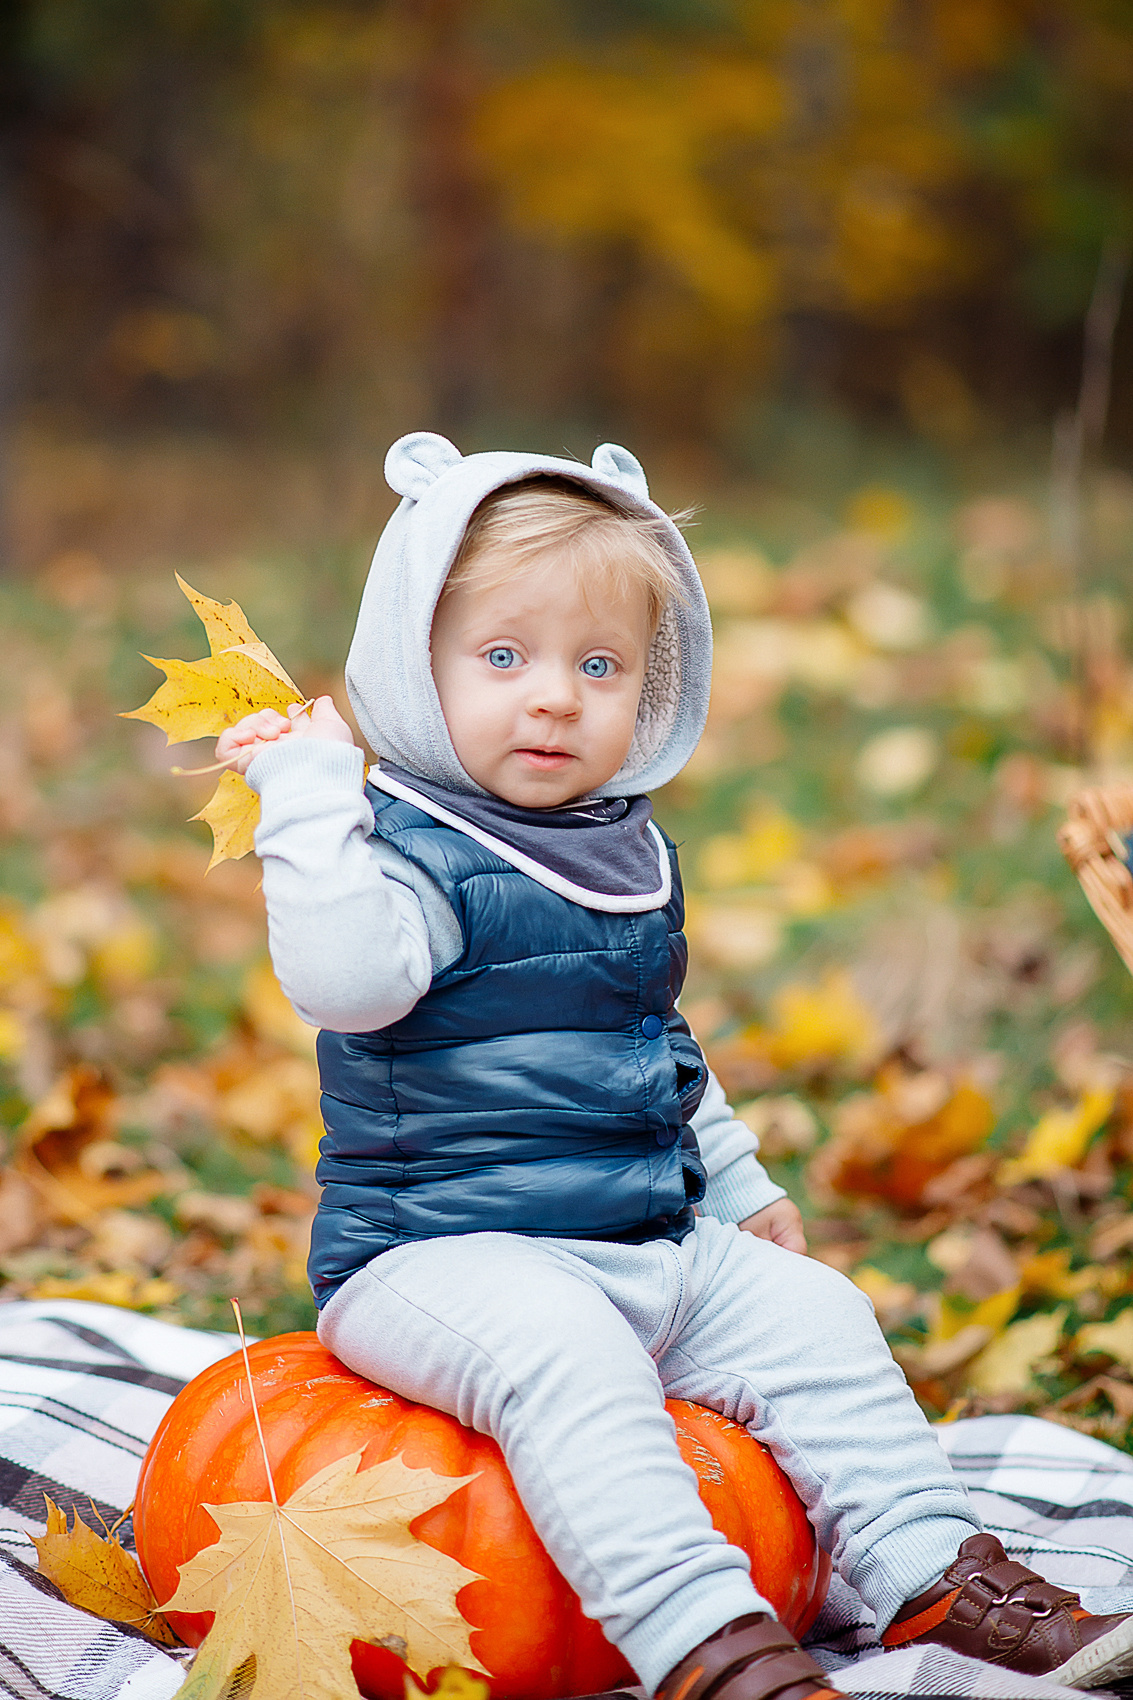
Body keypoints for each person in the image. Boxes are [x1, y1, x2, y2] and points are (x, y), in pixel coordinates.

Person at [215, 432, 1133, 1700]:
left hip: (641, 1240)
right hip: (438, 1255)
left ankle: (933, 1575)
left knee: (819, 1316)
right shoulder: (399, 852)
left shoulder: (619, 848)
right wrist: (309, 800)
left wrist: (740, 1178)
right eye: (501, 657)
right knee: (569, 1357)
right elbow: (346, 983)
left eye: (599, 665)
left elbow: (653, 1042)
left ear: (651, 689)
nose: (552, 695)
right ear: (410, 670)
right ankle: (708, 1639)